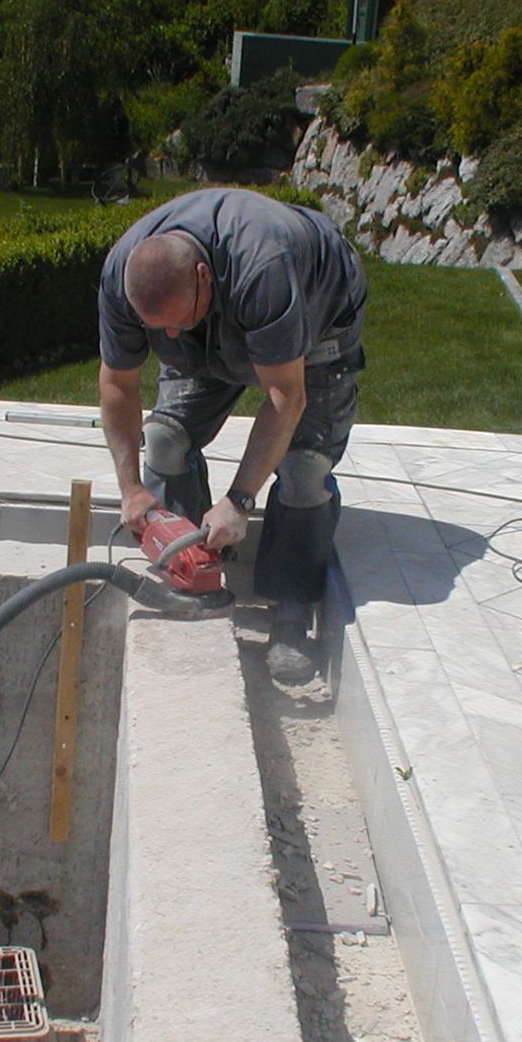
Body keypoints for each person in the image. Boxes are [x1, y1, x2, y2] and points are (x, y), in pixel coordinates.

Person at [97, 187, 367, 685]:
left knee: (304, 470)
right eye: (159, 329)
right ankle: (192, 572)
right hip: (219, 310)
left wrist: (239, 499)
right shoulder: (124, 276)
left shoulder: (263, 266)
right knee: (164, 440)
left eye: (177, 321)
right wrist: (131, 487)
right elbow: (117, 383)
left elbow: (286, 395)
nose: (170, 337)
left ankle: (290, 612)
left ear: (202, 276)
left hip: (318, 312)